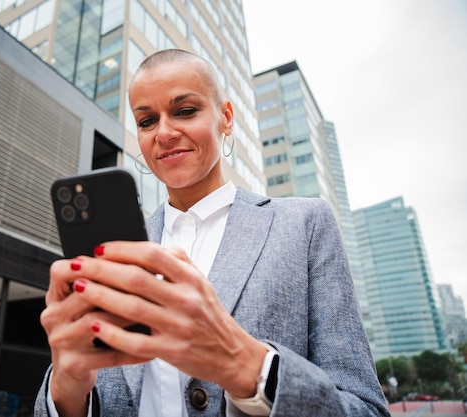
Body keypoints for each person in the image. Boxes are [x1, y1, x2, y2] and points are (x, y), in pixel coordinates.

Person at [34, 49, 390, 417]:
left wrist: (245, 365)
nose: (165, 133)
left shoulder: (304, 224)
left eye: (185, 111)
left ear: (226, 117)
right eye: (147, 121)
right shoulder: (118, 251)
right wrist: (66, 388)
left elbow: (365, 408)